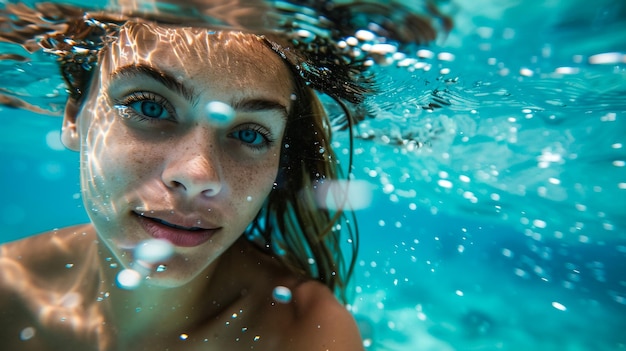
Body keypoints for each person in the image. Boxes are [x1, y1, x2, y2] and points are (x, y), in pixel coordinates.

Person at [0, 1, 448, 350]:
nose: (197, 175)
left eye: (251, 135)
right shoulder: (7, 288)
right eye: (149, 107)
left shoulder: (304, 332)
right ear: (75, 117)